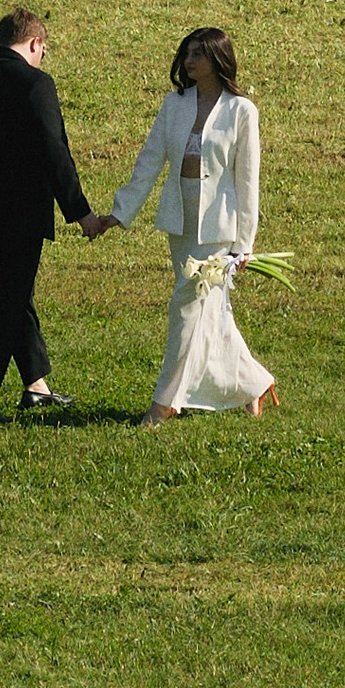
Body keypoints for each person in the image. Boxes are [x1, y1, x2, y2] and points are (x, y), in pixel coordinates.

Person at [105, 24, 275, 422]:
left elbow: (247, 181)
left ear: (217, 59)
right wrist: (119, 213)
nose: (189, 60)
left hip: (220, 227)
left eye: (198, 53)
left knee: (186, 306)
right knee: (210, 310)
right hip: (180, 219)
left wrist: (243, 245)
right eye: (187, 53)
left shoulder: (241, 110)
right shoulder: (174, 103)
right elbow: (150, 160)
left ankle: (164, 402)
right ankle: (254, 382)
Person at [0, 7, 100, 428]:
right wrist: (81, 213)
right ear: (35, 43)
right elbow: (54, 151)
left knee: (12, 293)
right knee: (4, 300)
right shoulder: (36, 83)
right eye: (43, 50)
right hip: (20, 211)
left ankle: (36, 386)